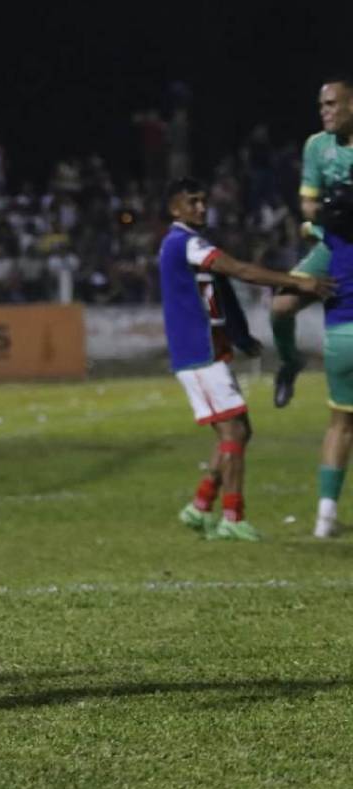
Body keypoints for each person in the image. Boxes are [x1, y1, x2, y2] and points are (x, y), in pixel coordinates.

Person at [160, 177, 331, 541]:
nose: (202, 207)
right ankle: (232, 518)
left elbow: (219, 287)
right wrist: (298, 282)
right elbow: (238, 270)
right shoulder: (183, 242)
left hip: (210, 351)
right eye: (193, 202)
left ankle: (202, 505)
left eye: (204, 200)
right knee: (234, 431)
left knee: (238, 430)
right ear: (175, 209)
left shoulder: (191, 243)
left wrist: (238, 335)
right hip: (198, 354)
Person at [269, 76, 353, 407]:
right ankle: (290, 363)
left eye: (331, 104)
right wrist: (327, 211)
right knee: (281, 307)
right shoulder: (317, 146)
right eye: (321, 106)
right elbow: (307, 204)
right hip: (333, 245)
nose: (324, 112)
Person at [307, 176, 353, 536]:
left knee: (340, 424)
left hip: (339, 336)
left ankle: (325, 518)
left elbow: (311, 222)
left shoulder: (330, 239)